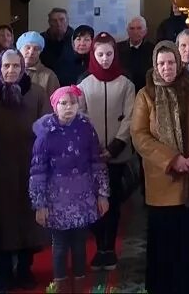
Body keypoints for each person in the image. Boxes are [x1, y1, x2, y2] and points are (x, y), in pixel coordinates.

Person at [130, 41, 189, 294]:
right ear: (155, 65)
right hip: (164, 184)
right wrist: (172, 159)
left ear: (179, 63)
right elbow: (139, 135)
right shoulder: (145, 95)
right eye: (161, 63)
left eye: (171, 62)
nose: (167, 68)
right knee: (167, 246)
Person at [0, 50, 49, 288]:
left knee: (28, 221)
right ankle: (5, 270)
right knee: (3, 222)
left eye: (16, 66)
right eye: (6, 66)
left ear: (23, 68)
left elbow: (47, 130)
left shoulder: (36, 93)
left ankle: (25, 269)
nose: (11, 71)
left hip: (31, 167)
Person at [29, 86, 110, 294]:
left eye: (72, 103)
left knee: (80, 243)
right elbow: (38, 171)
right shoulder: (46, 133)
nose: (68, 108)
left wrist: (102, 193)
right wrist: (40, 204)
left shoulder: (85, 128)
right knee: (60, 245)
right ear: (55, 106)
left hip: (83, 195)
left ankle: (81, 285)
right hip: (57, 198)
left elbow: (96, 162)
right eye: (63, 103)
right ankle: (61, 286)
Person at [76, 33, 135, 271]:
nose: (104, 59)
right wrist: (94, 147)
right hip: (92, 156)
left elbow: (130, 116)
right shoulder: (84, 83)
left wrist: (114, 147)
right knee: (93, 201)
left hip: (117, 155)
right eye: (100, 54)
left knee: (112, 200)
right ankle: (99, 245)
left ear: (115, 54)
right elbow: (80, 116)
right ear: (93, 55)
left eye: (109, 54)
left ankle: (109, 247)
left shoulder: (126, 83)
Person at [17, 32, 61, 96]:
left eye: (36, 49)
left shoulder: (49, 76)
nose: (31, 52)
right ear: (19, 50)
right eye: (27, 47)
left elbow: (55, 103)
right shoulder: (8, 71)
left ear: (40, 52)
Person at [116, 16, 152, 91]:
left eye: (139, 28)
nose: (135, 32)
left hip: (145, 91)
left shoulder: (153, 49)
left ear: (145, 31)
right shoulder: (117, 49)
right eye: (132, 28)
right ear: (127, 31)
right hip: (122, 90)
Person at [41, 8, 75, 76]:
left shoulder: (76, 39)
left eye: (62, 19)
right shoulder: (41, 39)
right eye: (54, 20)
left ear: (67, 21)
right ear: (49, 22)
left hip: (71, 81)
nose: (58, 24)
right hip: (47, 80)